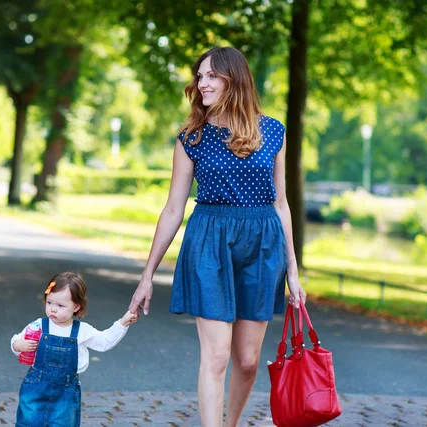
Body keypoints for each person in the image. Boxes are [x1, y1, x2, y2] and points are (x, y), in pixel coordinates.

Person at [128, 46, 307, 427]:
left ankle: (231, 423)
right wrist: (147, 277)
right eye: (200, 76)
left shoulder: (273, 131)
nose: (201, 83)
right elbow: (173, 208)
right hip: (209, 242)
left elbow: (281, 203)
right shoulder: (191, 137)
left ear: (234, 79)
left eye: (211, 75)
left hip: (262, 245)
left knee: (247, 360)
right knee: (218, 356)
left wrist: (293, 269)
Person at [11, 271, 138, 427]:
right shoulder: (38, 325)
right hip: (35, 385)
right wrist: (19, 345)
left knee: (62, 423)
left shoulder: (82, 330)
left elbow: (104, 341)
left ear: (76, 306)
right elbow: (17, 339)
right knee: (29, 421)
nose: (53, 309)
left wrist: (122, 323)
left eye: (60, 305)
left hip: (66, 390)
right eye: (49, 302)